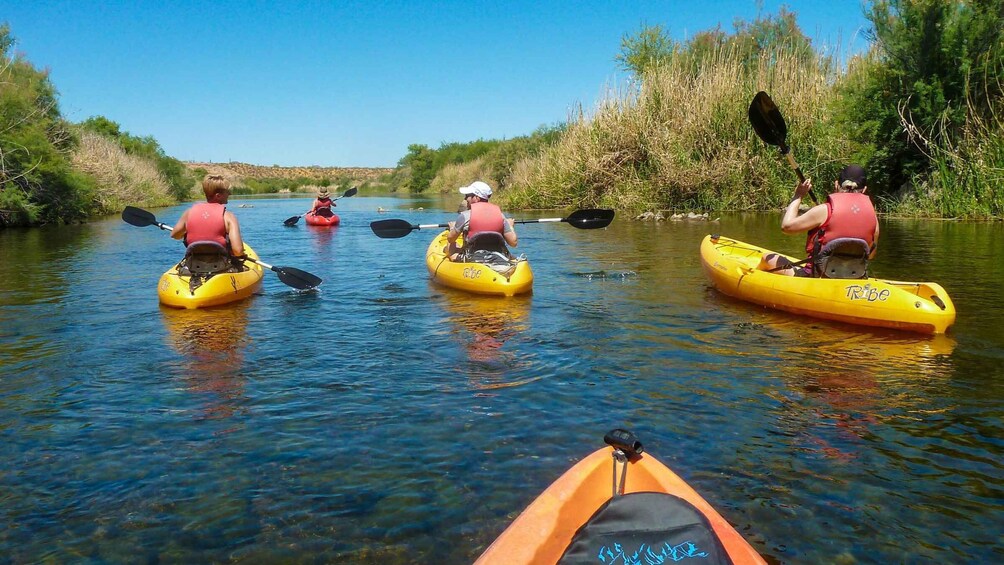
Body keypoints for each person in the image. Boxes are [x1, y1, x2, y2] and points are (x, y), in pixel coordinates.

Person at [759, 164, 879, 277]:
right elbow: (871, 255)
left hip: (817, 276)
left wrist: (798, 196)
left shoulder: (824, 210)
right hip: (855, 276)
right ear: (864, 190)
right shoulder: (873, 217)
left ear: (837, 185)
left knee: (767, 258)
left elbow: (786, 227)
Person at [171, 174, 245, 257]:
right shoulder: (228, 217)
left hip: (194, 265)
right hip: (221, 265)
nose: (230, 194)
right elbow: (238, 251)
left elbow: (175, 235)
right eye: (227, 192)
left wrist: (186, 232)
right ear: (218, 196)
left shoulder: (189, 213)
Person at [446, 180, 517, 261]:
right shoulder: (500, 215)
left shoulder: (465, 216)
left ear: (477, 198)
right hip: (497, 256)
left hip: (472, 258)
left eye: (467, 196)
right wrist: (510, 226)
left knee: (451, 247)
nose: (465, 199)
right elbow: (513, 243)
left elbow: (450, 239)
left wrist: (452, 228)